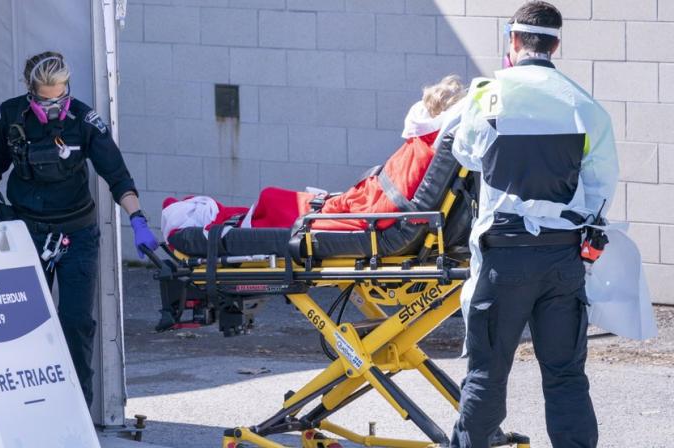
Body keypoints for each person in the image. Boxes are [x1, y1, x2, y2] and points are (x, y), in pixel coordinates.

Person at [448, 2, 618, 447]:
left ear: (514, 41)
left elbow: (465, 154)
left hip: (504, 256)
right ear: (556, 44)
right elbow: (600, 188)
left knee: (487, 374)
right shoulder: (584, 103)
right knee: (565, 376)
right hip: (563, 258)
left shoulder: (488, 92)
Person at [0, 51, 159, 407]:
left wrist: (138, 220)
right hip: (25, 232)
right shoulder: (10, 114)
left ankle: (78, 411)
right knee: (23, 325)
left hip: (76, 233)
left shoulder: (84, 119)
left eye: (59, 95)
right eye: (45, 97)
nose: (53, 104)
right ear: (31, 90)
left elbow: (117, 176)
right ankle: (25, 407)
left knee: (75, 322)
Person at [160, 75, 466, 239]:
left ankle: (211, 224)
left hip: (355, 217)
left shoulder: (422, 149)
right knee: (271, 201)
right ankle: (220, 219)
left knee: (271, 200)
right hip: (355, 210)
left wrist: (340, 204)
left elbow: (384, 205)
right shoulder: (428, 149)